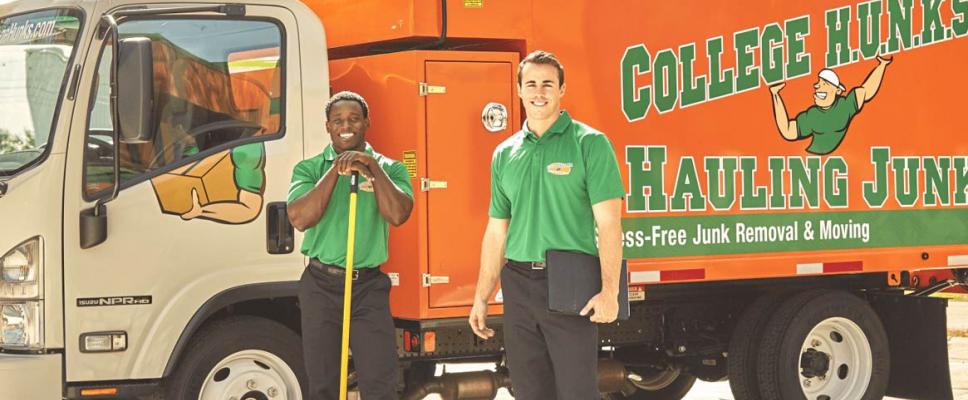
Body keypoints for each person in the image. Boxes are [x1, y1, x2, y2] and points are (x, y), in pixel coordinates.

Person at [468, 50, 626, 399]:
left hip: (570, 284)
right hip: (519, 284)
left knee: (576, 392)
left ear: (562, 89)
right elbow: (497, 231)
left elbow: (610, 224)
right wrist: (481, 297)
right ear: (519, 90)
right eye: (532, 84)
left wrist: (610, 291)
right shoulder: (505, 153)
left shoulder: (590, 144)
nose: (539, 92)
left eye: (548, 84)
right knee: (529, 391)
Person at [287, 91, 414, 400]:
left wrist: (372, 167)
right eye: (338, 120)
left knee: (380, 383)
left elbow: (398, 214)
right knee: (323, 384)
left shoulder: (392, 169)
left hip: (367, 287)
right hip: (320, 285)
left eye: (354, 119)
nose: (346, 126)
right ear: (328, 127)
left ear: (366, 123)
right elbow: (301, 218)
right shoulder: (309, 169)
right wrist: (337, 169)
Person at [770, 55, 892, 155]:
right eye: (818, 83)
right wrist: (775, 95)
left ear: (837, 91)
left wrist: (882, 65)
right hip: (812, 158)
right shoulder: (812, 116)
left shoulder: (844, 106)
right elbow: (787, 131)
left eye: (824, 83)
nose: (817, 86)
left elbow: (866, 90)